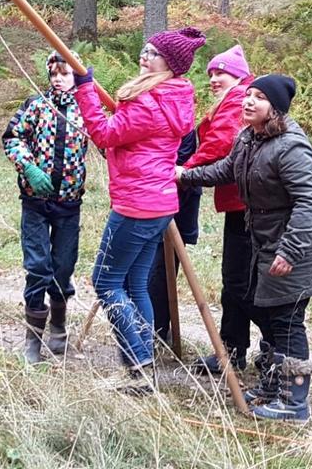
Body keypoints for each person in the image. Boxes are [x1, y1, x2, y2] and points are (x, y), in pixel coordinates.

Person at [178, 75, 312, 421]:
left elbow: (308, 203)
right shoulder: (250, 137)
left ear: (274, 107)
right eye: (248, 95)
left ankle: (294, 403)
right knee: (265, 312)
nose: (248, 101)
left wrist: (290, 251)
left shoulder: (291, 146)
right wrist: (184, 175)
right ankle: (273, 384)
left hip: (298, 244)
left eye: (259, 97)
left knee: (287, 319)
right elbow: (225, 170)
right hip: (266, 238)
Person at [73, 27, 205, 393]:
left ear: (170, 64)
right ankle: (142, 359)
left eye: (152, 53)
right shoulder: (173, 97)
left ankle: (137, 366)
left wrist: (84, 88)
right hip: (159, 202)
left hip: (137, 205)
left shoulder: (150, 102)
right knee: (134, 283)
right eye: (143, 51)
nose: (143, 57)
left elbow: (102, 133)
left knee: (105, 281)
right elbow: (125, 137)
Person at [2, 51, 89, 364]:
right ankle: (32, 341)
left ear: (76, 76)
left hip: (69, 203)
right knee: (38, 267)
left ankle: (59, 328)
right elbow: (12, 138)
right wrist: (29, 168)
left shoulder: (86, 108)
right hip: (36, 203)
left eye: (64, 74)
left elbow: (110, 140)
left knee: (62, 269)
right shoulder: (36, 105)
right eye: (53, 74)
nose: (57, 79)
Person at [181, 45, 256, 375]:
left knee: (239, 280)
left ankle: (234, 351)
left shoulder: (239, 98)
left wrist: (185, 171)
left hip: (247, 205)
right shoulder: (239, 98)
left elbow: (220, 144)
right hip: (242, 202)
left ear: (238, 75)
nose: (213, 79)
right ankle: (237, 349)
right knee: (242, 279)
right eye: (210, 73)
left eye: (220, 73)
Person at [146, 128, 200, 346]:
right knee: (138, 271)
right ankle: (140, 329)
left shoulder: (184, 126)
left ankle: (156, 332)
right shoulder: (143, 116)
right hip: (141, 204)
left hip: (175, 207)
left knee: (161, 271)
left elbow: (178, 168)